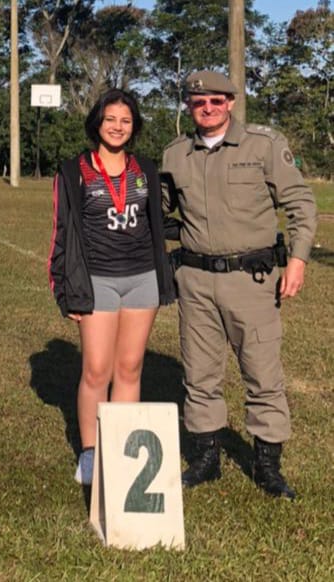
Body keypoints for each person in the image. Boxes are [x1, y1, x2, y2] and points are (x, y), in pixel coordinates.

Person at [162, 71, 317, 500]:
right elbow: (159, 207)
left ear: (230, 102)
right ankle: (206, 459)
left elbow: (300, 203)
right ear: (189, 106)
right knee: (199, 374)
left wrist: (299, 259)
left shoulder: (262, 146)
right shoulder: (175, 154)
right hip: (195, 281)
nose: (207, 108)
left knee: (262, 374)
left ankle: (267, 466)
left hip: (251, 280)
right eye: (198, 102)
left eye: (216, 101)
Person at [47, 89, 176, 485]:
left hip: (142, 279)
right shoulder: (74, 170)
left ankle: (121, 448)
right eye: (110, 120)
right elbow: (61, 231)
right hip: (97, 280)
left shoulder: (146, 169)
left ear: (134, 126)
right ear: (97, 123)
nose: (118, 127)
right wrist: (63, 288)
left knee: (130, 368)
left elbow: (159, 223)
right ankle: (90, 452)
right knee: (96, 370)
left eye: (125, 120)